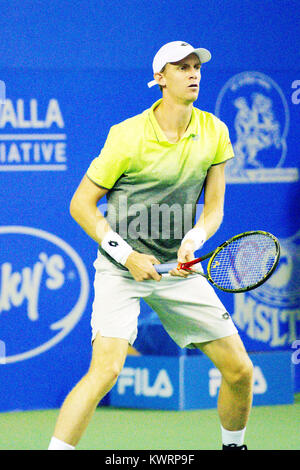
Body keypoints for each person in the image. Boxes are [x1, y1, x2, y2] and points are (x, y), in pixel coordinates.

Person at [48, 41, 253, 451]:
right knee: (105, 371)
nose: (193, 73)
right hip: (121, 270)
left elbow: (214, 207)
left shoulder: (214, 131)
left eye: (196, 66)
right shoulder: (126, 137)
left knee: (240, 371)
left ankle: (235, 447)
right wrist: (126, 255)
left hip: (180, 270)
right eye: (181, 67)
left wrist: (193, 240)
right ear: (160, 78)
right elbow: (81, 204)